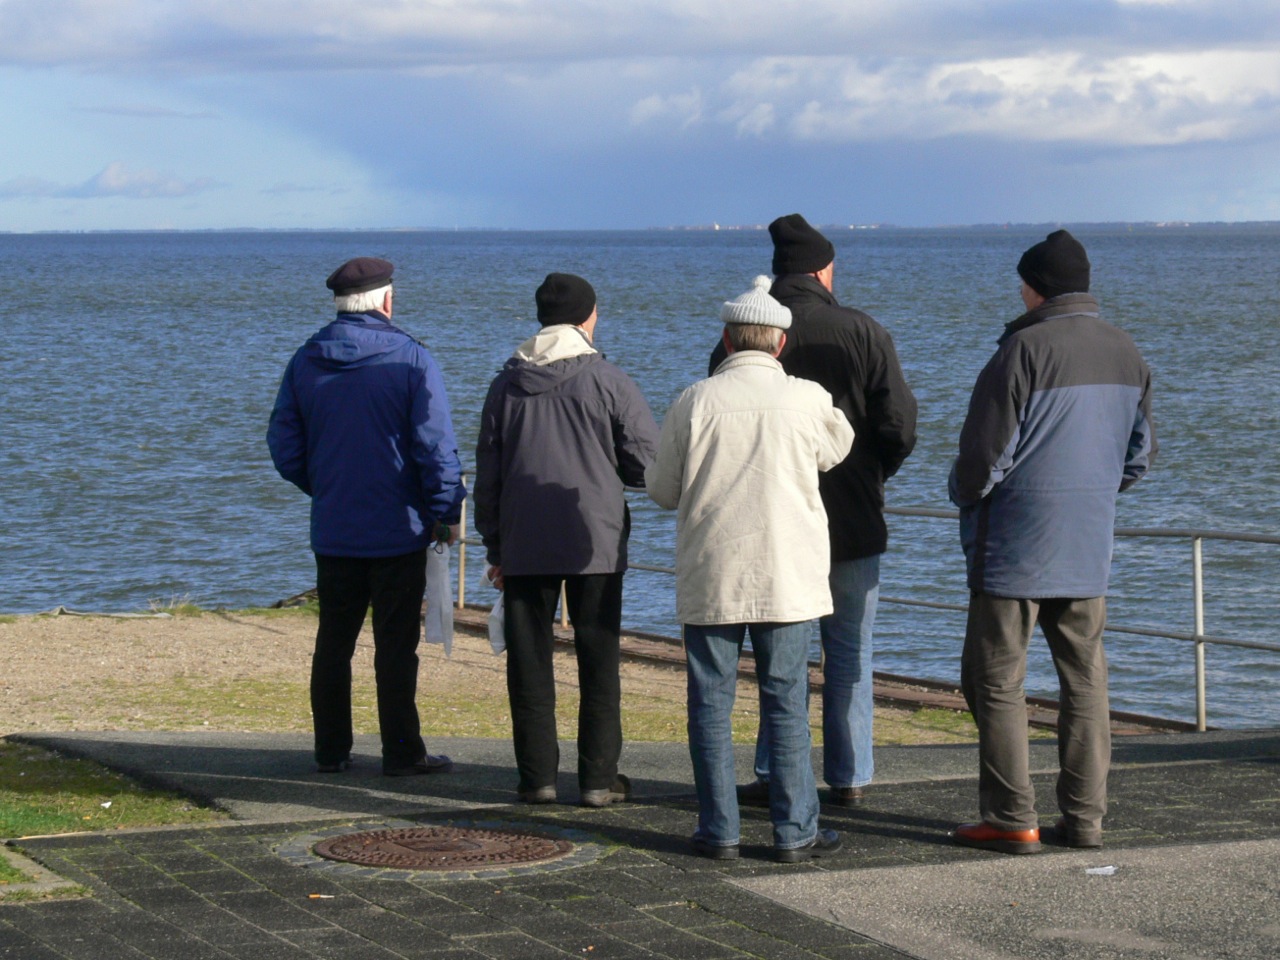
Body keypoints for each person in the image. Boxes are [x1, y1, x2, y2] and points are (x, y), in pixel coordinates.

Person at [948, 230, 1157, 854]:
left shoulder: (1021, 350)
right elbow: (1139, 457)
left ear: (1036, 287)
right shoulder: (1128, 352)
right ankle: (1086, 820)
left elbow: (985, 458)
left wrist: (961, 491)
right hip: (1087, 547)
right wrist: (1091, 494)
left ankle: (1013, 818)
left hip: (1013, 547)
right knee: (1086, 682)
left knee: (994, 680)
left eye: (1023, 281)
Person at [711, 214, 917, 808]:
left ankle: (777, 772)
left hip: (768, 521)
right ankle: (849, 776)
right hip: (851, 515)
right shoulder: (865, 330)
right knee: (850, 652)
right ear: (825, 270)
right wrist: (871, 474)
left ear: (778, 273)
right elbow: (899, 423)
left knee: (784, 656)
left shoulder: (736, 339)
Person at [648, 277, 854, 862]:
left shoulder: (695, 400)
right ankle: (795, 832)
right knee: (786, 700)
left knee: (710, 701)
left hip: (714, 570)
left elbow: (663, 490)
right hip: (786, 576)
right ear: (780, 344)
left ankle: (719, 830)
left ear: (727, 339)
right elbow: (837, 449)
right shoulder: (807, 398)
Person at [268, 257, 467, 776]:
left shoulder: (306, 360)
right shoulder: (412, 359)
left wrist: (325, 486)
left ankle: (331, 749)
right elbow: (436, 448)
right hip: (397, 529)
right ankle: (401, 751)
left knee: (333, 643)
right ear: (386, 300)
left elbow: (283, 444)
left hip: (335, 527)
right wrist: (446, 509)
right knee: (395, 649)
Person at [473, 273, 659, 807]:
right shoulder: (608, 380)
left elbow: (490, 473)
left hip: (525, 538)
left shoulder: (506, 385)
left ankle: (537, 777)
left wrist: (495, 546)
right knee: (598, 658)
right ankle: (599, 778)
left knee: (529, 662)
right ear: (587, 318)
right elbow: (646, 464)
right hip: (593, 536)